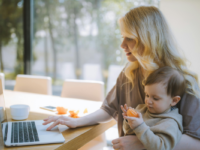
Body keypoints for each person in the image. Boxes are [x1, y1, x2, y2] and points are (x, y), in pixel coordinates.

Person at [43, 6, 200, 150]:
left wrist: (142, 143)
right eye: (122, 37)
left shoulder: (184, 82)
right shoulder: (129, 72)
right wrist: (76, 121)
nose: (122, 45)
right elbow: (109, 109)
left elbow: (196, 141)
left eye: (130, 38)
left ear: (149, 39)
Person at [121, 66, 185, 150]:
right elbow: (128, 133)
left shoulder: (170, 123)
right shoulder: (141, 109)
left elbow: (161, 147)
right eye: (147, 95)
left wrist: (140, 126)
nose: (148, 101)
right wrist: (128, 120)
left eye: (155, 98)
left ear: (174, 100)